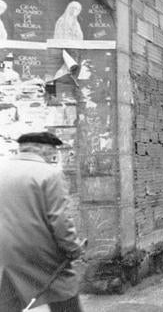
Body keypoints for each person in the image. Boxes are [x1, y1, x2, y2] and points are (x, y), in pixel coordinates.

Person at [0, 132, 85, 312]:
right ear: (42, 149)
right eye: (52, 150)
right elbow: (60, 220)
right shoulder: (50, 174)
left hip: (8, 252)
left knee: (11, 300)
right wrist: (73, 248)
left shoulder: (2, 170)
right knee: (64, 296)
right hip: (43, 253)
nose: (53, 154)